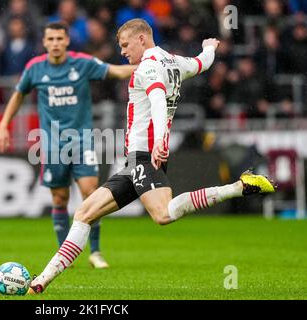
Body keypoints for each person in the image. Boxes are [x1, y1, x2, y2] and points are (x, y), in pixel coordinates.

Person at [27, 18, 276, 294]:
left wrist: (159, 141)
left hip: (146, 156)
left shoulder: (147, 67)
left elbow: (157, 101)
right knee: (84, 213)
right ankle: (40, 282)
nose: (123, 52)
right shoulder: (174, 62)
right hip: (137, 161)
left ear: (142, 39)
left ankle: (238, 187)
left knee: (162, 215)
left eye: (125, 45)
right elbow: (201, 63)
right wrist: (210, 48)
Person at [0, 22, 135, 269]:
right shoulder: (35, 68)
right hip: (52, 144)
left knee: (91, 193)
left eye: (60, 38)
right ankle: (64, 254)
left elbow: (116, 71)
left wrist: (146, 66)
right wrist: (4, 124)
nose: (56, 43)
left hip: (82, 140)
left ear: (67, 41)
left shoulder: (82, 63)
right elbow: (19, 95)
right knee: (60, 198)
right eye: (51, 39)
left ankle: (95, 251)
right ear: (45, 42)